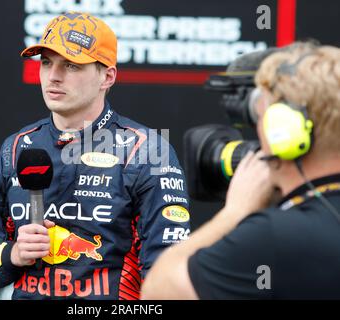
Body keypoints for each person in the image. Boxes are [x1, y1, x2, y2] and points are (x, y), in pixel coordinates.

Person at [0, 11, 190, 300]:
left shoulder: (147, 150)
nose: (53, 76)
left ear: (107, 77)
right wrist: (14, 253)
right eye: (46, 62)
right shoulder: (16, 147)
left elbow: (167, 274)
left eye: (71, 65)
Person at [141, 42, 340, 299]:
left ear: (286, 132)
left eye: (264, 119)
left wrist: (234, 213)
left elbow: (159, 291)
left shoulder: (276, 237)